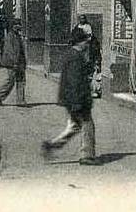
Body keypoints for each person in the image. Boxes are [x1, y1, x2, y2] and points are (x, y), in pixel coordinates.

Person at [41, 28, 100, 165]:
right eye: (85, 41)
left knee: (74, 126)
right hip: (77, 100)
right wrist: (77, 103)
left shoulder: (72, 55)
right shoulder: (75, 57)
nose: (87, 44)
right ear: (80, 42)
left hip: (72, 99)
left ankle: (51, 146)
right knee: (87, 125)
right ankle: (87, 155)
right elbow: (74, 81)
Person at [0, 17, 26, 106]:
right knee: (11, 81)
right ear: (13, 26)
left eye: (19, 25)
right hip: (12, 63)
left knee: (21, 81)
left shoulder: (17, 36)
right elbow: (10, 51)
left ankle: (20, 101)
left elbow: (20, 51)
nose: (19, 26)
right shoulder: (10, 36)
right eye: (17, 25)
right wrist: (15, 62)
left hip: (19, 63)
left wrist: (23, 63)